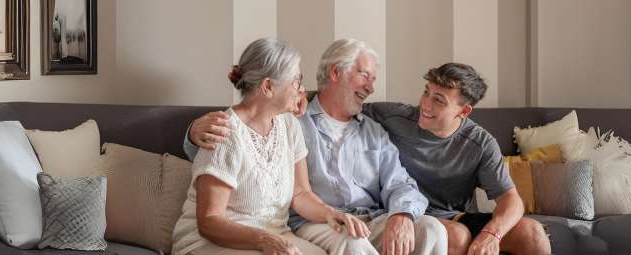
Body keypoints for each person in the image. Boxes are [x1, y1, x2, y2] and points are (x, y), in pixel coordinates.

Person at [189, 63, 552, 255]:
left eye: (439, 101)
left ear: (465, 111)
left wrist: (491, 233)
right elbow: (336, 101)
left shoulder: (480, 143)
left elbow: (510, 200)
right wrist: (298, 96)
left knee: (533, 234)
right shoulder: (394, 115)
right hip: (421, 216)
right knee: (453, 236)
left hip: (455, 214)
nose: (425, 105)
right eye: (427, 93)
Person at [185, 38, 448, 255]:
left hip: (360, 217)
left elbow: (301, 193)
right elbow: (214, 188)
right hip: (295, 227)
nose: (371, 87)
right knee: (352, 243)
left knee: (432, 229)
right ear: (336, 73)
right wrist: (192, 134)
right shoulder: (290, 120)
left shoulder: (364, 128)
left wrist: (400, 213)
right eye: (365, 76)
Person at [171, 38, 369, 255]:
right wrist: (263, 240)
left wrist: (330, 213)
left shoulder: (289, 125)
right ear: (268, 87)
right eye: (296, 80)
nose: (301, 89)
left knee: (347, 245)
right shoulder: (224, 132)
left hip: (275, 234)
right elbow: (210, 221)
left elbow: (300, 193)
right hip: (216, 242)